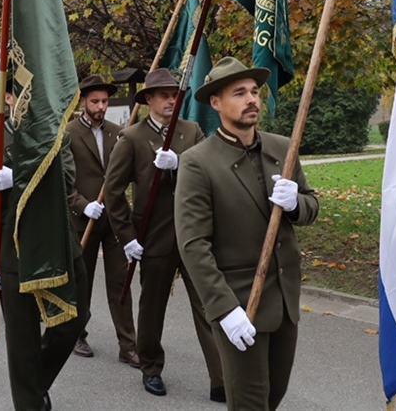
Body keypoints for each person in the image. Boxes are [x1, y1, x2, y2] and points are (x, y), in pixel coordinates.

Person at [175, 57, 319, 410]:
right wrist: (225, 310)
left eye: (254, 92)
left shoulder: (283, 147)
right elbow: (193, 245)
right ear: (216, 103)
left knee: (274, 396)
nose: (251, 99)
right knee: (250, 403)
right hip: (240, 302)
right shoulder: (198, 162)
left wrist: (296, 204)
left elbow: (312, 205)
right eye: (239, 93)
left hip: (284, 299)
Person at [0, 90, 90, 411]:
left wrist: (19, 178)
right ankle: (30, 403)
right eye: (18, 91)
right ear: (7, 96)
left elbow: (67, 180)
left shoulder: (54, 134)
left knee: (73, 322)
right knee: (23, 343)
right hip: (13, 256)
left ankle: (34, 383)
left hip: (60, 247)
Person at [102, 68, 224, 401]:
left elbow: (211, 172)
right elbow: (113, 192)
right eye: (165, 95)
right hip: (152, 235)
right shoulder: (133, 138)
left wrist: (181, 163)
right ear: (150, 100)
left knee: (207, 305)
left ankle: (221, 376)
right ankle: (151, 367)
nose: (171, 100)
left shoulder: (191, 130)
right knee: (152, 307)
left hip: (194, 235)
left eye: (175, 95)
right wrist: (126, 236)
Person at [66, 75, 138, 366]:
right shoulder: (68, 133)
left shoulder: (119, 132)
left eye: (105, 101)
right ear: (83, 101)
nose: (100, 106)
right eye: (95, 101)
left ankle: (128, 345)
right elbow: (62, 181)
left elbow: (126, 173)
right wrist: (82, 206)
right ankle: (76, 333)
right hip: (84, 221)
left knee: (121, 282)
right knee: (82, 282)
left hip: (116, 220)